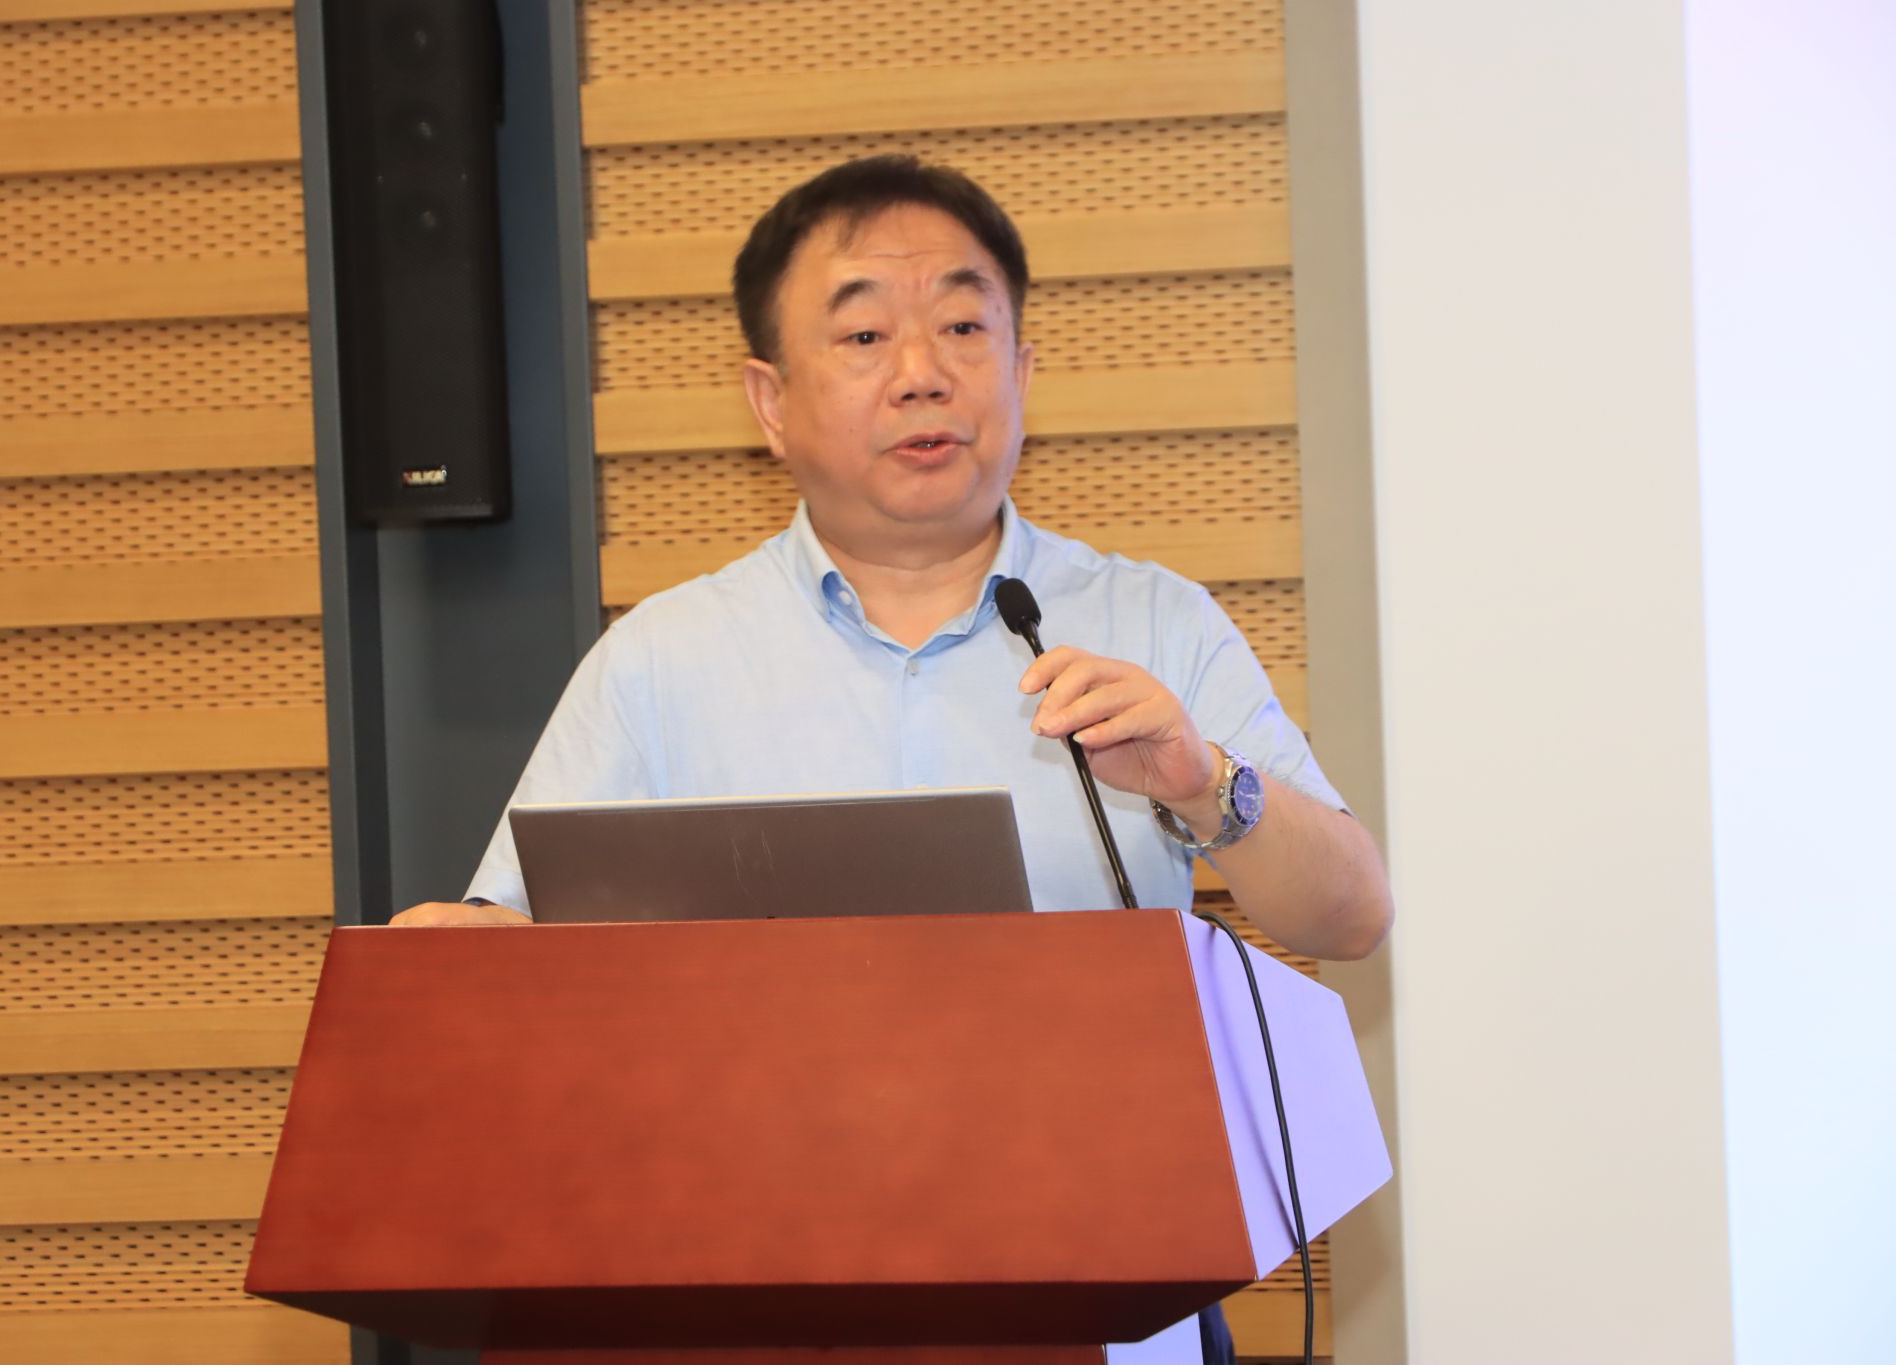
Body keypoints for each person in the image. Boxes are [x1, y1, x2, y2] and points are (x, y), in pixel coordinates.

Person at [392, 155, 1394, 1362]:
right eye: (865, 335)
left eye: (964, 327)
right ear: (768, 401)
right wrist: (462, 954)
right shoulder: (660, 659)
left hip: (1096, 1294)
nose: (923, 372)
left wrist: (1201, 780)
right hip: (748, 1302)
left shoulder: (1153, 623)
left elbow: (1348, 914)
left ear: (1022, 369)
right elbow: (507, 946)